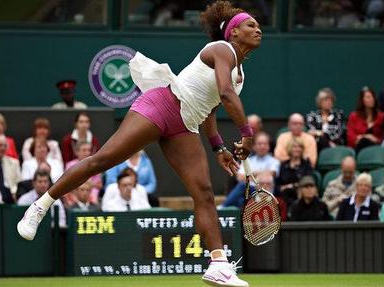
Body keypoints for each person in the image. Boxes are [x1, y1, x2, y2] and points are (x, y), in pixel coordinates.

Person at [17, 2, 261, 285]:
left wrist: (218, 146)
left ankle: (218, 264)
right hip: (162, 106)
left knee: (204, 193)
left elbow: (212, 108)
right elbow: (225, 93)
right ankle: (40, 206)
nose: (258, 30)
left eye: (258, 26)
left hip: (185, 128)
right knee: (103, 160)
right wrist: (247, 133)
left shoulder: (239, 76)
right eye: (250, 25)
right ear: (232, 33)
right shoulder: (222, 50)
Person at [221, 131, 279, 208]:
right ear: (254, 146)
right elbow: (240, 178)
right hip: (248, 192)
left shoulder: (274, 161)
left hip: (265, 192)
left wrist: (250, 175)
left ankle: (223, 207)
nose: (262, 146)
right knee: (240, 201)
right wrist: (258, 175)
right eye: (260, 144)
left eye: (265, 144)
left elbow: (270, 175)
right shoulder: (247, 160)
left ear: (269, 146)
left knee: (242, 186)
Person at [276, 137, 313, 207]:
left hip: (301, 197)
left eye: (299, 147)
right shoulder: (284, 165)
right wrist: (282, 188)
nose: (297, 149)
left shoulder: (306, 164)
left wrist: (291, 186)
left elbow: (308, 181)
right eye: (294, 147)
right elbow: (278, 184)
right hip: (284, 197)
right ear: (290, 148)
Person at [63, 141, 103, 207]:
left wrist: (89, 184)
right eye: (84, 150)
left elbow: (99, 185)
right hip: (74, 192)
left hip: (91, 192)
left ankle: (92, 209)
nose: (87, 153)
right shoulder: (70, 165)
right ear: (77, 152)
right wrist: (85, 182)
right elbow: (66, 183)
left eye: (88, 150)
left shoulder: (95, 165)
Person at [346, 86, 384, 152]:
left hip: (376, 147)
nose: (371, 99)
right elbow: (350, 136)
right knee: (364, 141)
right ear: (362, 100)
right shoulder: (354, 116)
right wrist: (365, 137)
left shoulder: (381, 116)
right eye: (368, 97)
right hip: (358, 147)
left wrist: (376, 139)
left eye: (373, 97)